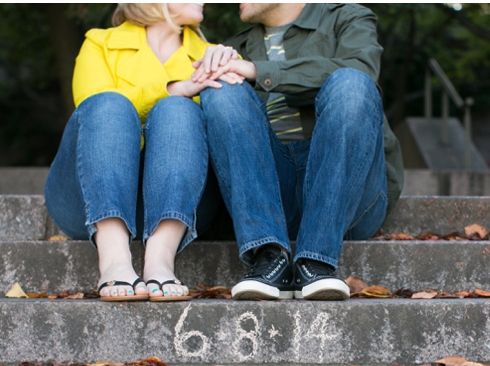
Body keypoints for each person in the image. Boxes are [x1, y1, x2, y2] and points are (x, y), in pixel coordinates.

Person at [192, 3, 403, 300]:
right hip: (267, 188)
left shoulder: (347, 17)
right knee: (221, 88)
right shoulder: (235, 47)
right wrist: (212, 65)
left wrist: (258, 71)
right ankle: (269, 255)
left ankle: (316, 260)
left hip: (346, 191)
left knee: (352, 81)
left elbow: (362, 69)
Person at [44, 3, 242, 301]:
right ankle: (112, 257)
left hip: (186, 201)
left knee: (177, 110)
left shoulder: (214, 56)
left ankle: (160, 258)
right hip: (88, 200)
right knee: (109, 104)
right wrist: (175, 87)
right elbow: (93, 117)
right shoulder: (100, 43)